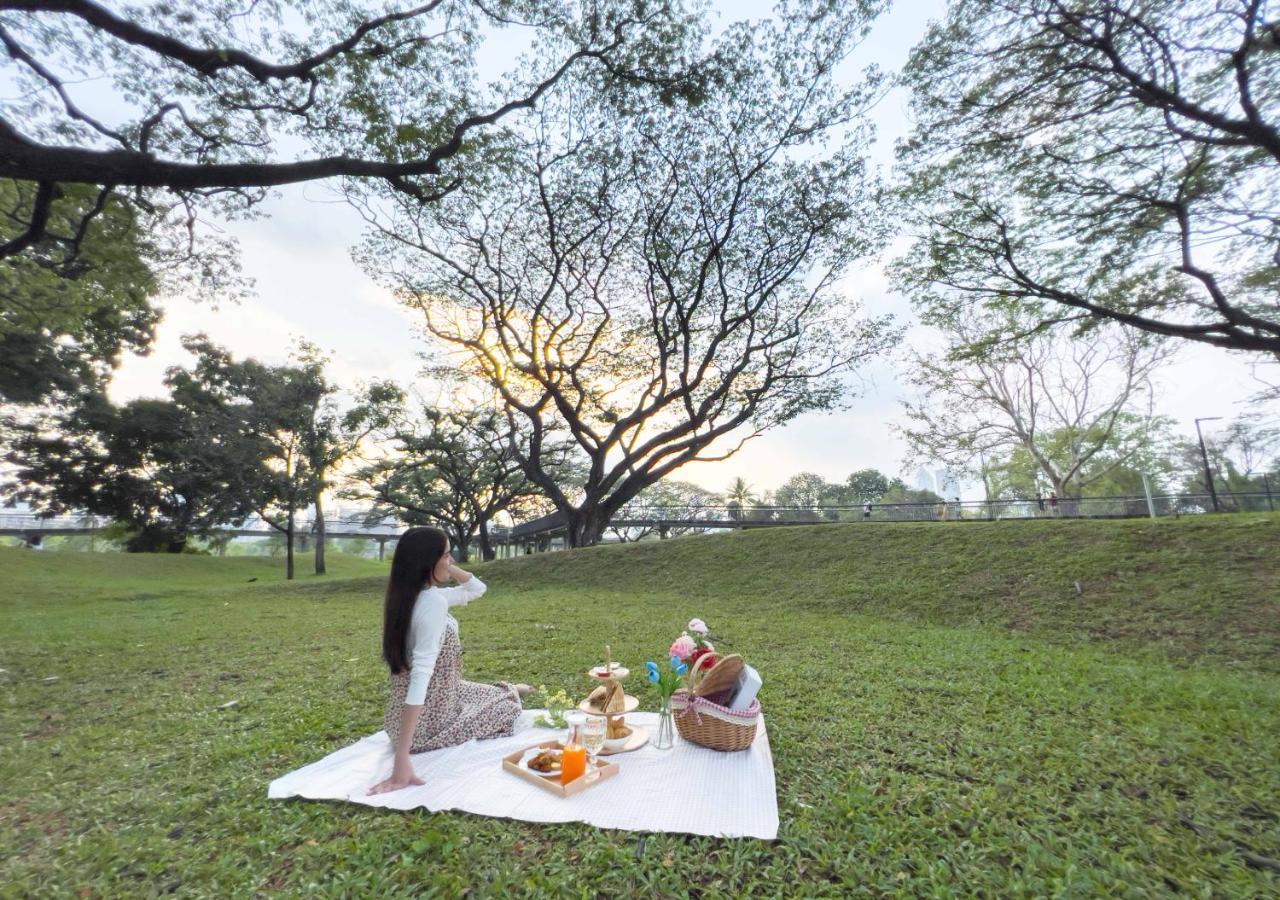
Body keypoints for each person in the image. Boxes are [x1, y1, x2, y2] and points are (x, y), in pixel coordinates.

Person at [369, 526, 530, 795]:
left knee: (493, 693)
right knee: (508, 710)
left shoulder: (410, 597)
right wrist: (402, 759)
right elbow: (420, 678)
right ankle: (510, 691)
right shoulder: (431, 604)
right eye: (446, 555)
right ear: (427, 561)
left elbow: (477, 589)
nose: (452, 559)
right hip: (429, 721)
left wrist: (445, 566)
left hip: (405, 716)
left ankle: (510, 688)